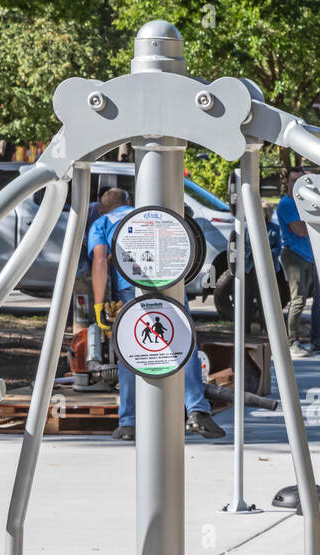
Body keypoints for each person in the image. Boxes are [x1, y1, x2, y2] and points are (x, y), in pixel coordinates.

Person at [89, 186, 224, 441]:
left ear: (103, 207)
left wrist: (99, 305)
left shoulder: (102, 222)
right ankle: (197, 410)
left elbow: (99, 260)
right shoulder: (147, 214)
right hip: (170, 279)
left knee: (130, 346)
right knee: (183, 340)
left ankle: (129, 422)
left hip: (131, 286)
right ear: (128, 200)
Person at [274, 167, 320, 358]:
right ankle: (292, 342)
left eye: (300, 180)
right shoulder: (287, 204)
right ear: (286, 182)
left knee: (305, 300)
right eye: (293, 180)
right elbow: (301, 230)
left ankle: (309, 341)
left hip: (307, 256)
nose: (296, 184)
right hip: (293, 255)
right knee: (298, 300)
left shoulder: (303, 202)